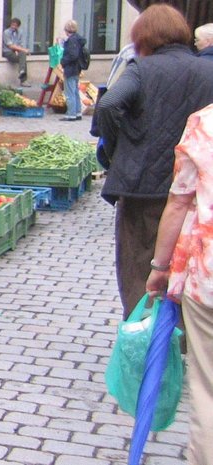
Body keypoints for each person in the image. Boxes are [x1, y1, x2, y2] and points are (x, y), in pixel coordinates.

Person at [95, 4, 213, 319]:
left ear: (143, 37)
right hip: (195, 190)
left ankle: (140, 332)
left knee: (137, 267)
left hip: (141, 187)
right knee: (190, 265)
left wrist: (115, 151)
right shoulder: (208, 70)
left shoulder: (140, 69)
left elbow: (108, 103)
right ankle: (183, 340)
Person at [145, 104, 213, 465]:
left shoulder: (205, 123)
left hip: (209, 276)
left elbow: (179, 201)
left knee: (208, 389)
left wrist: (159, 265)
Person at [59, 20, 87, 121]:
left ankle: (71, 114)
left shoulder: (72, 41)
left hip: (71, 68)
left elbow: (73, 55)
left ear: (67, 30)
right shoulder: (78, 39)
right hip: (77, 68)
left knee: (70, 92)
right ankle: (78, 112)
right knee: (75, 91)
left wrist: (63, 61)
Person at [3, 18, 30, 86]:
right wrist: (24, 50)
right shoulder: (6, 32)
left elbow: (20, 44)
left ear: (18, 26)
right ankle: (23, 80)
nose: (13, 27)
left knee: (22, 57)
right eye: (12, 25)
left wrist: (20, 50)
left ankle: (22, 72)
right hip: (8, 52)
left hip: (16, 52)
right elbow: (10, 46)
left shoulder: (20, 32)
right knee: (23, 58)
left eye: (15, 25)